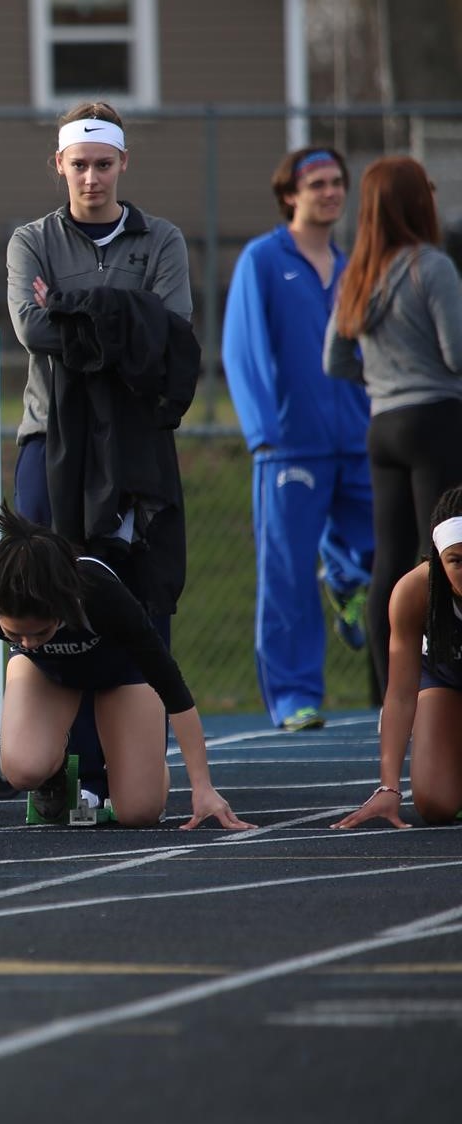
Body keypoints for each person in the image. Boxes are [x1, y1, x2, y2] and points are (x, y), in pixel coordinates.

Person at [0, 502, 250, 833]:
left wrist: (203, 787)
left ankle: (141, 766)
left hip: (120, 676)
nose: (28, 641)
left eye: (40, 632)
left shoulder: (102, 595)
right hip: (48, 675)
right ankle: (55, 767)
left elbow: (173, 688)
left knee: (138, 813)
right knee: (22, 768)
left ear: (65, 605)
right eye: (16, 636)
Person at [6, 99, 194, 799]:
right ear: (59, 165)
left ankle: (130, 757)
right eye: (79, 164)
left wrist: (76, 310)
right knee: (45, 587)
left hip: (137, 442)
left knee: (137, 593)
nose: (92, 177)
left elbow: (171, 337)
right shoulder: (31, 240)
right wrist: (124, 318)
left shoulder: (163, 239)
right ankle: (61, 763)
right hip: (51, 436)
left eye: (103, 164)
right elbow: (33, 331)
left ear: (123, 164)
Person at [224, 146, 375, 731]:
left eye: (338, 182)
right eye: (317, 183)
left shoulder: (353, 263)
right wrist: (265, 432)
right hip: (289, 446)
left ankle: (344, 581)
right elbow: (243, 350)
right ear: (291, 193)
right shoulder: (263, 259)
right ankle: (294, 697)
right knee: (286, 577)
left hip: (359, 438)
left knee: (379, 549)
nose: (331, 192)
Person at [325, 155, 462, 696]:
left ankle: (386, 691)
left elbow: (333, 360)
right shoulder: (431, 266)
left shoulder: (360, 270)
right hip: (436, 421)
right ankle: (441, 682)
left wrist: (379, 378)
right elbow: (455, 355)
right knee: (445, 554)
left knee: (390, 559)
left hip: (383, 426)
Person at [334, 484, 462, 829]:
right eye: (457, 561)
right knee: (436, 803)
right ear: (437, 556)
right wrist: (388, 785)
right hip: (445, 675)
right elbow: (401, 693)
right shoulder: (413, 592)